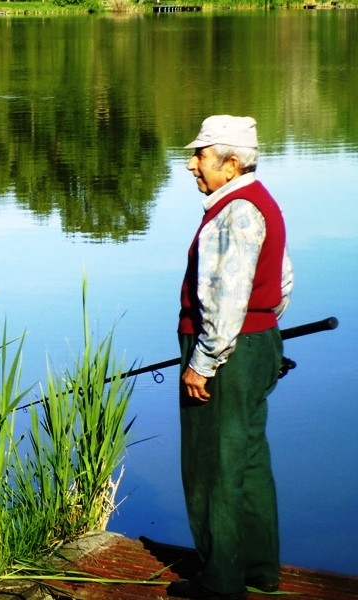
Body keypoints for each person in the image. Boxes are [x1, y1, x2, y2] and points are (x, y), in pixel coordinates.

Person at [168, 116, 294, 600]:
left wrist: (204, 360)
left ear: (231, 163)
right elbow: (282, 283)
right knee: (249, 460)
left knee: (213, 465)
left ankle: (221, 582)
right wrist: (262, 332)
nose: (191, 165)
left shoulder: (236, 211)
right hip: (257, 344)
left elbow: (227, 297)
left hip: (227, 353)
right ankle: (259, 569)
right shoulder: (263, 203)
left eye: (199, 156)